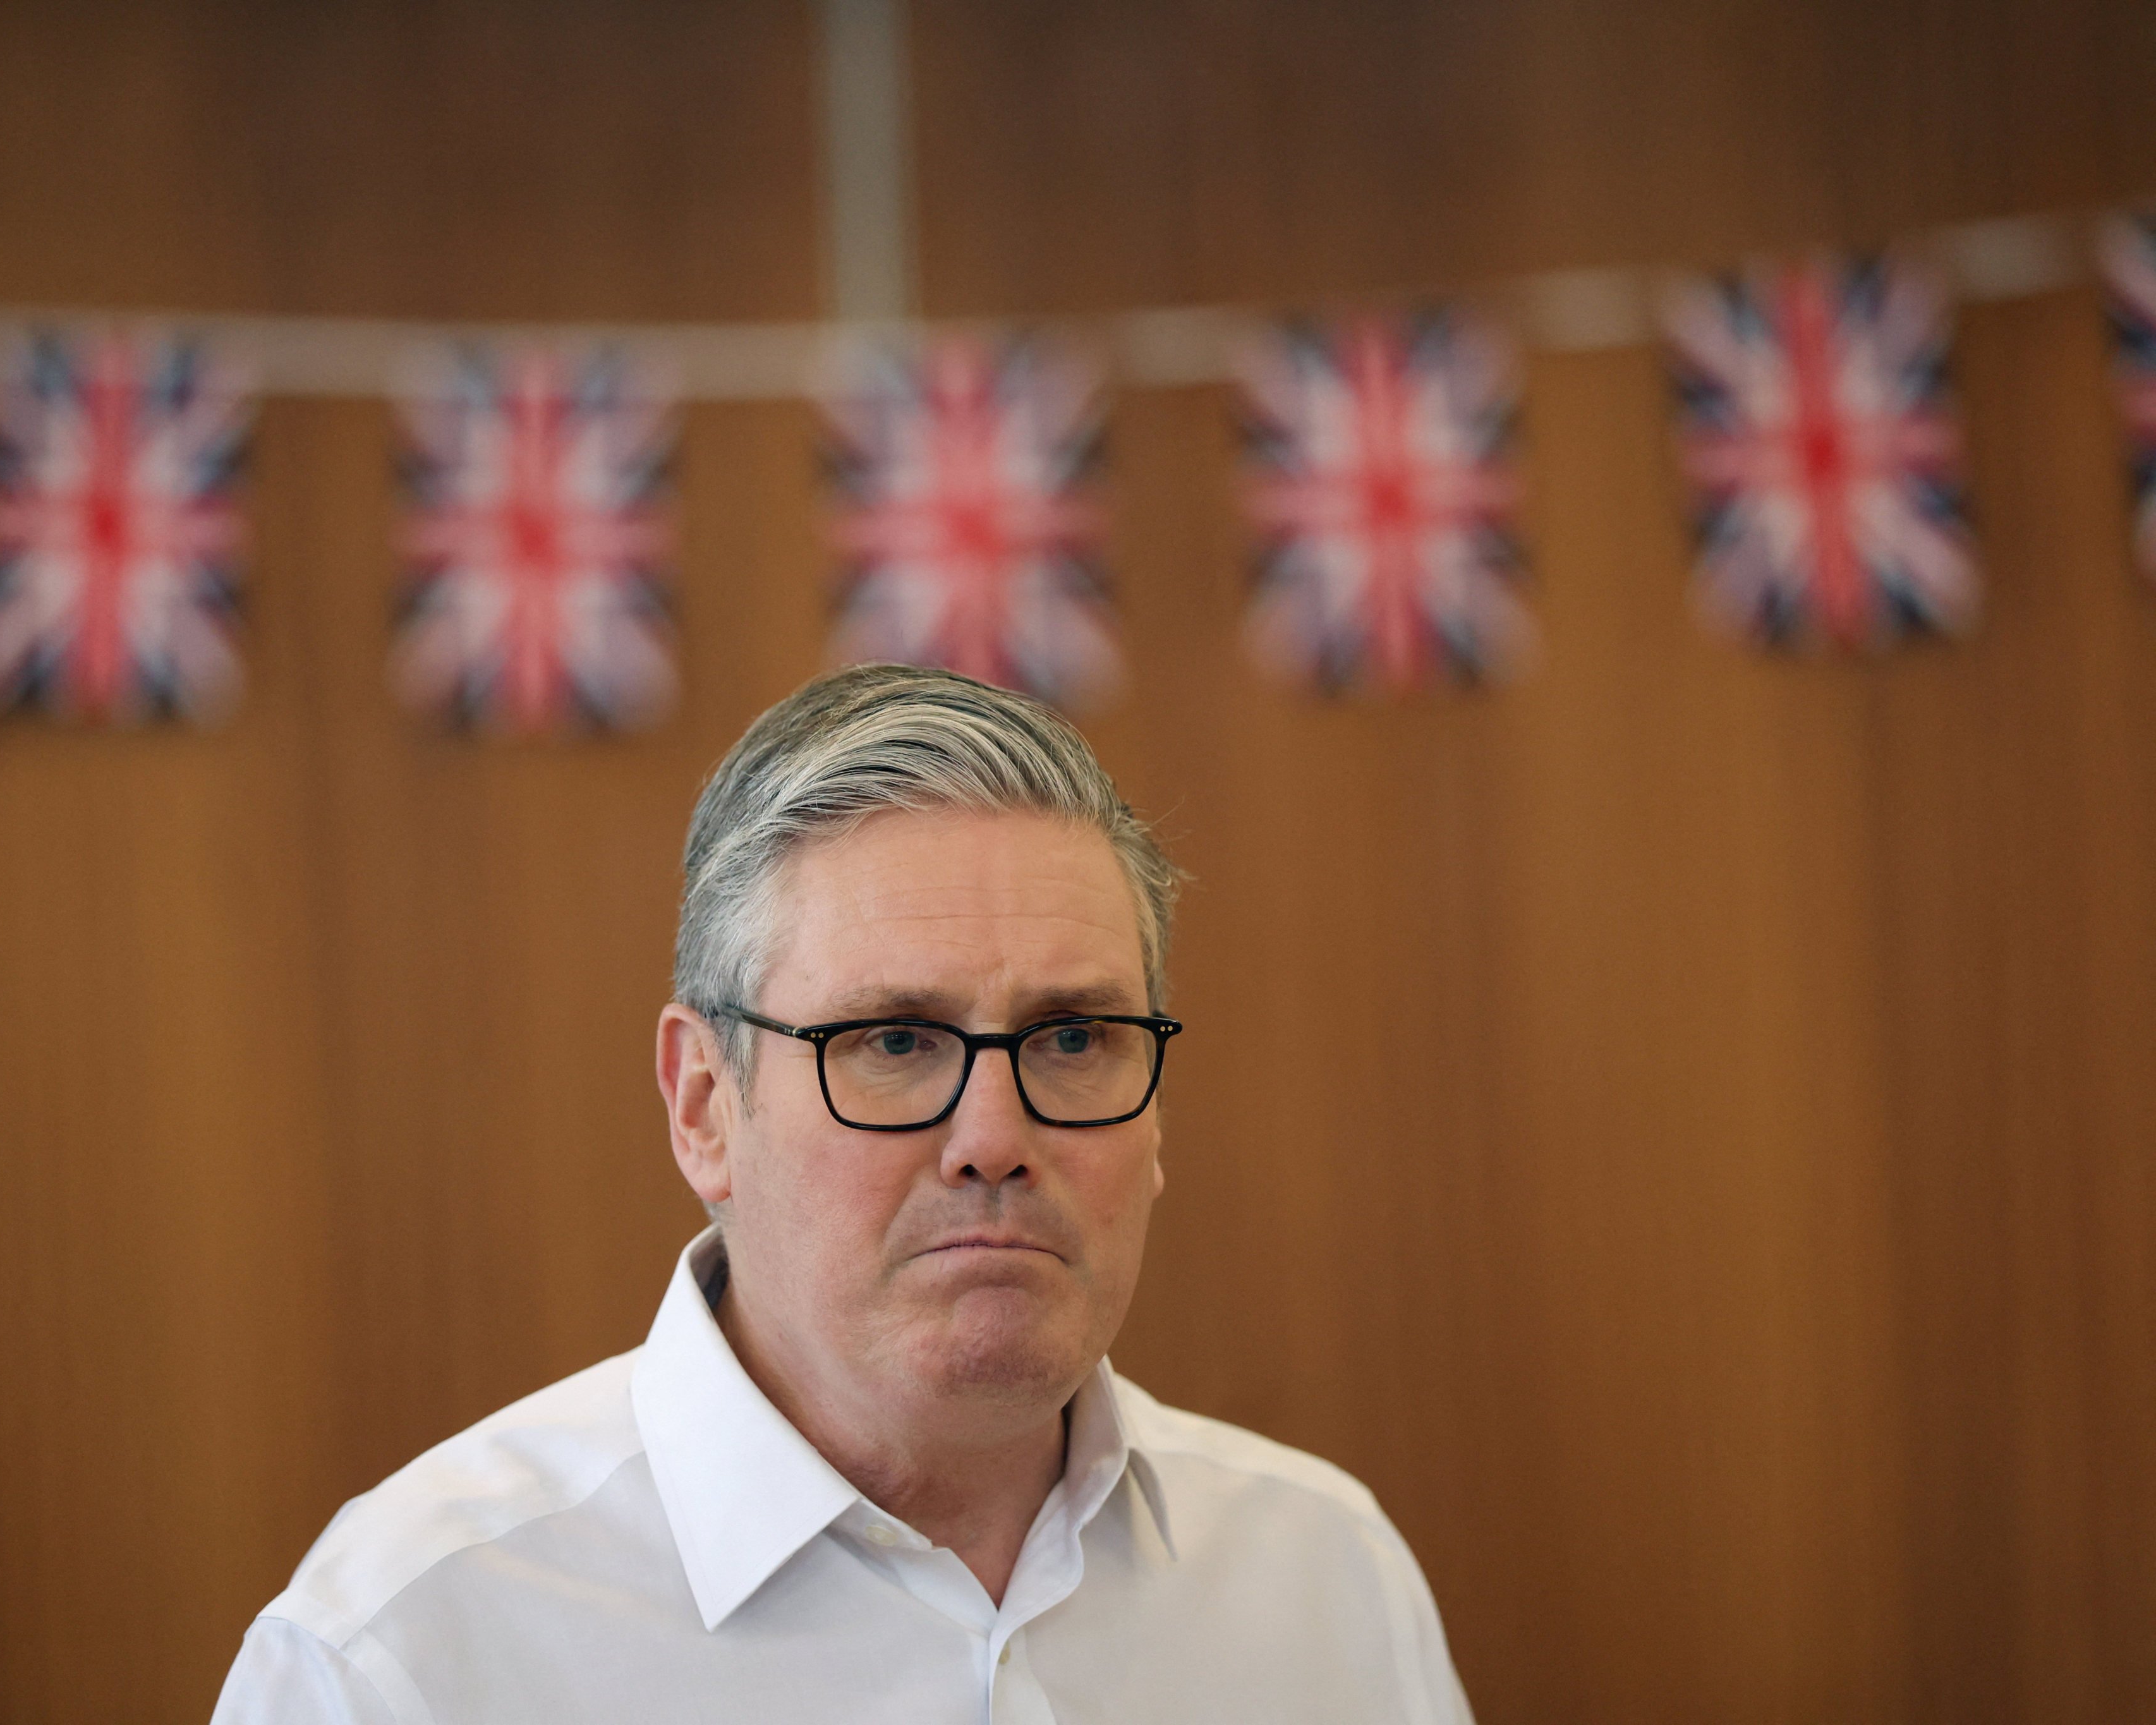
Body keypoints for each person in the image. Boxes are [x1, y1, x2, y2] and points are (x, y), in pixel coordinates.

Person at [212, 665, 1473, 1723]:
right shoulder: (401, 1655)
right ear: (704, 1107)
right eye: (891, 1041)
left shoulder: (1326, 1578)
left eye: (1074, 1039)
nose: (993, 1135)